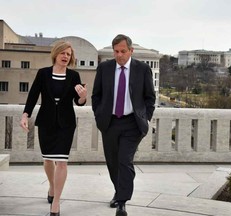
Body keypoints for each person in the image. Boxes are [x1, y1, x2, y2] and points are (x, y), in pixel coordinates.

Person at [20, 41, 87, 216]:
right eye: (63, 53)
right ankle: (51, 186)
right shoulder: (43, 74)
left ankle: (56, 202)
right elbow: (33, 95)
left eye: (69, 54)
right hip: (46, 122)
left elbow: (78, 103)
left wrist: (83, 97)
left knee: (62, 161)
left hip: (66, 124)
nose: (66, 56)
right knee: (48, 160)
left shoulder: (74, 76)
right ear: (56, 54)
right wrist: (25, 115)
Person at [91, 34, 156, 216]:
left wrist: (146, 117)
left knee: (124, 161)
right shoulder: (104, 68)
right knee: (113, 163)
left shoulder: (142, 69)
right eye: (116, 51)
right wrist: (99, 115)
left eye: (123, 51)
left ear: (131, 50)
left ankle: (122, 202)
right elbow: (96, 95)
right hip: (109, 123)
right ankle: (119, 192)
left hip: (132, 123)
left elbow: (150, 97)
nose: (119, 55)